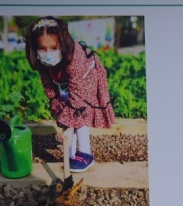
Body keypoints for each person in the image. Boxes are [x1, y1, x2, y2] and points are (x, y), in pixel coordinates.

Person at [24, 16, 115, 174]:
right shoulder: (42, 61)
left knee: (80, 113)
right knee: (64, 108)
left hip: (87, 78)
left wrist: (71, 125)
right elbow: (48, 83)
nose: (47, 53)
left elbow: (78, 99)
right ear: (34, 48)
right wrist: (56, 102)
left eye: (53, 48)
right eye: (42, 48)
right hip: (65, 80)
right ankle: (70, 153)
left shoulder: (75, 59)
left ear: (63, 44)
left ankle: (86, 154)